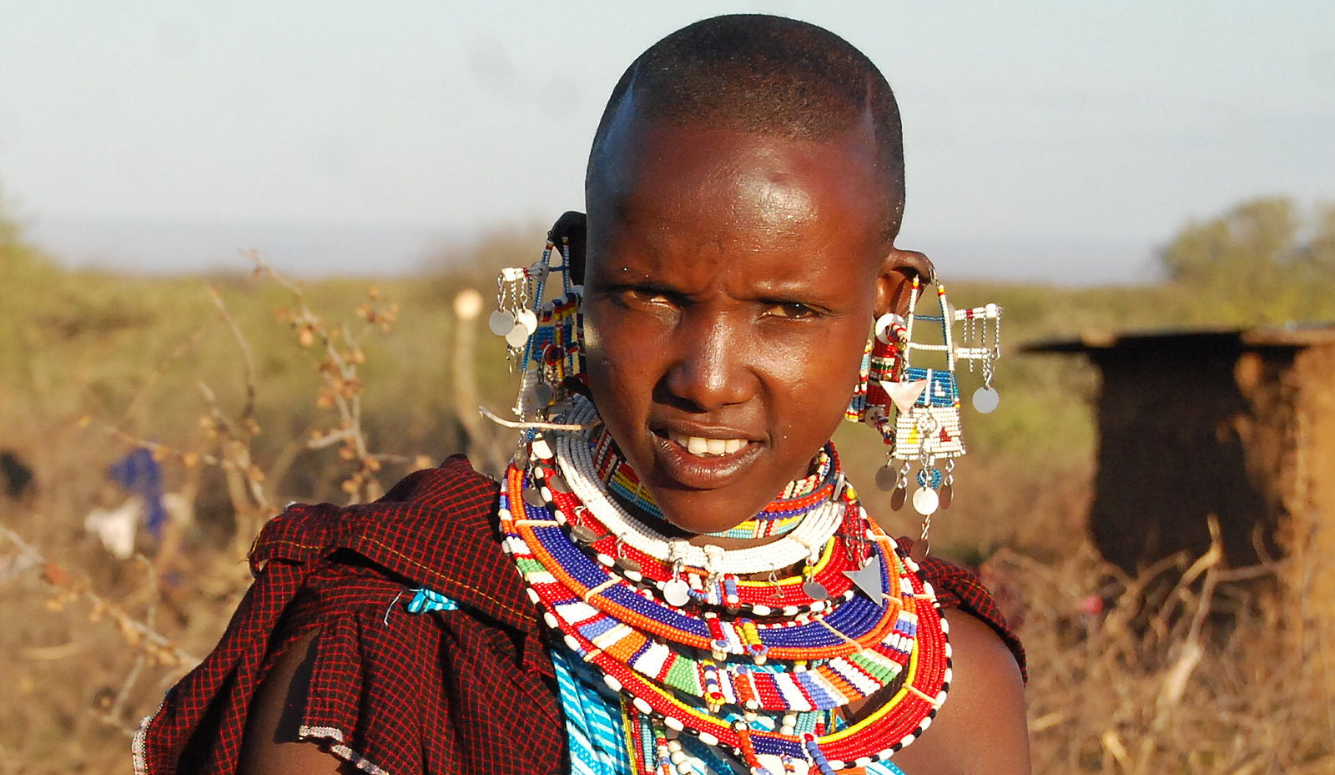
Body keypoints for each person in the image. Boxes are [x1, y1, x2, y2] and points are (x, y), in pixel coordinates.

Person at [134, 14, 1029, 775]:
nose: (707, 378)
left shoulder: (947, 682)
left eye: (786, 310)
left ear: (888, 304)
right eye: (650, 295)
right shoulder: (396, 637)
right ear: (577, 267)